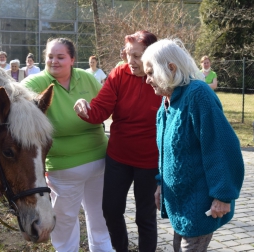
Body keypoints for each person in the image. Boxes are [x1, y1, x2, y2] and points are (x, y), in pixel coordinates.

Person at [142, 38, 245, 252]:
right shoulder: (167, 101)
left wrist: (223, 195)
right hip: (181, 202)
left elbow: (222, 147)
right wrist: (161, 184)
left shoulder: (198, 95)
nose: (147, 80)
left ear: (171, 68)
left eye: (151, 73)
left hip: (200, 203)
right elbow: (167, 152)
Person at [21, 37, 112, 252]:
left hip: (99, 163)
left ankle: (103, 249)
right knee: (64, 220)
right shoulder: (39, 82)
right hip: (63, 170)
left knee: (100, 216)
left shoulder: (86, 78)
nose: (54, 61)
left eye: (60, 57)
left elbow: (105, 104)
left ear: (72, 59)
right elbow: (19, 90)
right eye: (50, 57)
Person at [74, 30, 161, 252]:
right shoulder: (119, 73)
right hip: (119, 157)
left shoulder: (163, 79)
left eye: (137, 56)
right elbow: (100, 110)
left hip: (149, 160)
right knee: (111, 210)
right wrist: (86, 107)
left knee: (145, 217)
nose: (131, 61)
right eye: (127, 55)